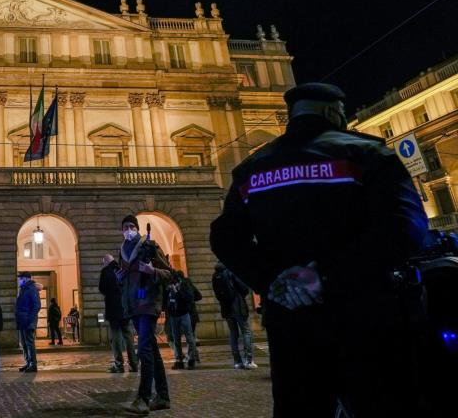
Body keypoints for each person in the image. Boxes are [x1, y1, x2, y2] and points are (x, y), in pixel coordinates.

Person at [210, 83, 429, 417]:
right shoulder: (368, 154)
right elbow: (406, 227)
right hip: (365, 313)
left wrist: (273, 282)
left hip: (291, 321)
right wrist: (324, 275)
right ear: (332, 112)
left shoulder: (252, 169)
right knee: (381, 403)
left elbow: (224, 238)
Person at [117, 215, 173, 415]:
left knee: (144, 350)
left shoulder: (149, 246)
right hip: (134, 306)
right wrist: (120, 278)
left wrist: (152, 271)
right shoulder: (123, 251)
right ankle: (163, 397)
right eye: (125, 227)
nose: (128, 230)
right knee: (151, 351)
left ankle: (143, 398)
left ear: (137, 228)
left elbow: (170, 274)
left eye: (131, 226)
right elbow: (127, 279)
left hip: (148, 304)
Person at [211, 262, 257, 369]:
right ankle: (248, 360)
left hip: (226, 308)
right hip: (238, 306)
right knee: (246, 332)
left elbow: (217, 295)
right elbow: (244, 289)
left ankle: (237, 361)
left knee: (233, 333)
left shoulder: (215, 276)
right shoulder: (231, 272)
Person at [99, 254, 137, 373]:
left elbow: (102, 289)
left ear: (106, 262)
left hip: (113, 309)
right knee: (128, 335)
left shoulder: (106, 271)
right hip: (125, 308)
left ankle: (119, 364)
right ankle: (134, 364)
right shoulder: (122, 267)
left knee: (115, 336)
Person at [164, 271, 198, 370]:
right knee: (176, 339)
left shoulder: (185, 285)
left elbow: (189, 298)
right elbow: (165, 300)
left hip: (184, 314)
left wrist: (178, 290)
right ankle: (179, 360)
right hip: (173, 315)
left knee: (189, 337)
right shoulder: (169, 286)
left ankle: (191, 359)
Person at [15, 271, 41, 372]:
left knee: (29, 343)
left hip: (28, 321)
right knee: (24, 343)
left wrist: (29, 319)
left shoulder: (31, 289)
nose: (19, 280)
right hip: (22, 320)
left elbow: (36, 306)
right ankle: (28, 362)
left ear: (25, 279)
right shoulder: (23, 289)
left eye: (20, 278)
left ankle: (33, 364)